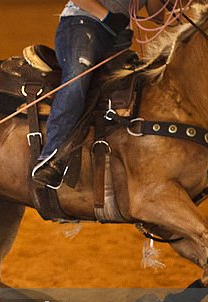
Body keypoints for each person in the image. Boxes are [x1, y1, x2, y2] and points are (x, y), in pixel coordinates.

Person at [31, 0, 164, 189]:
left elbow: (157, 15)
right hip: (81, 23)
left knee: (133, 89)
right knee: (77, 78)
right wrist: (107, 16)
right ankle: (51, 156)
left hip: (117, 36)